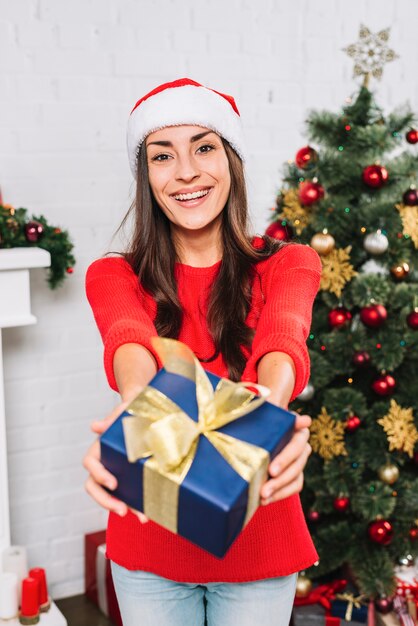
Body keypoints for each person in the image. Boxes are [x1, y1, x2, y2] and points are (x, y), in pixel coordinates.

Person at [83, 77, 322, 626]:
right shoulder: (113, 274)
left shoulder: (289, 263)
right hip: (149, 543)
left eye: (204, 147)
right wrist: (138, 402)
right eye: (163, 155)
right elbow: (130, 341)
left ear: (231, 162)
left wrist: (270, 407)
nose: (186, 171)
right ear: (146, 176)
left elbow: (283, 337)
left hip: (260, 539)